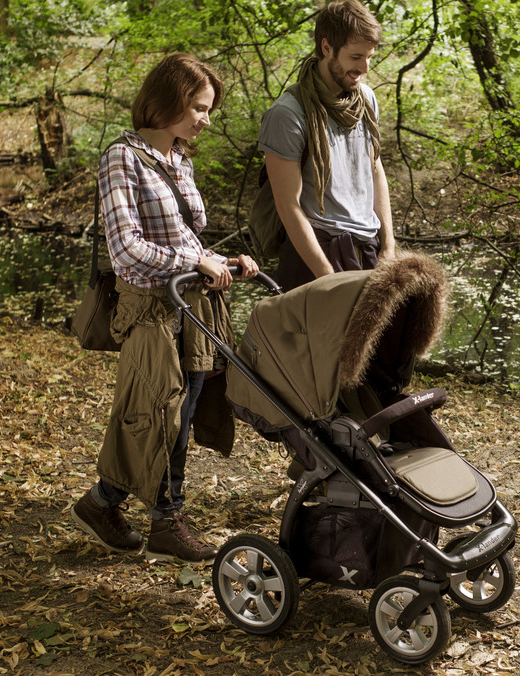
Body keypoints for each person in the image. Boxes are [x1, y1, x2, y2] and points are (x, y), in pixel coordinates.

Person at [71, 53, 259, 563]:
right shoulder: (122, 158)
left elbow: (188, 240)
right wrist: (195, 261)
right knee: (158, 412)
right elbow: (126, 250)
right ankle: (163, 518)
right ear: (170, 101)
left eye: (209, 109)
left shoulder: (180, 160)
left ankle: (112, 504)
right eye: (199, 107)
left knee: (187, 409)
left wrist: (224, 260)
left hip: (193, 304)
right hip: (151, 308)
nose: (206, 118)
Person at [258, 0, 395, 291]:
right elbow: (288, 205)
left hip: (367, 247)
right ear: (326, 47)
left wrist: (388, 246)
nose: (364, 67)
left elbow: (375, 169)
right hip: (313, 253)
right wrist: (326, 275)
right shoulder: (288, 114)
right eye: (356, 56)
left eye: (370, 56)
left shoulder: (366, 99)